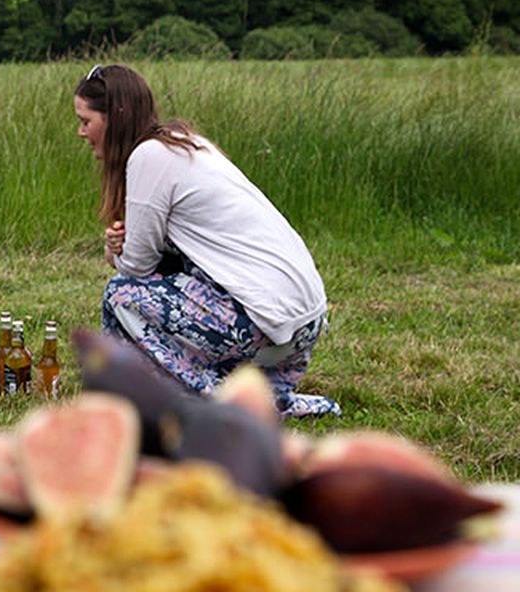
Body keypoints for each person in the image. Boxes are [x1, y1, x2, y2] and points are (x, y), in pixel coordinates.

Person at [72, 64, 340, 417]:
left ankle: (193, 402)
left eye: (86, 121)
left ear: (116, 117)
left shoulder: (149, 156)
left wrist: (112, 250)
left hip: (262, 322)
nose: (80, 132)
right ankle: (268, 401)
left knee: (121, 294)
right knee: (168, 283)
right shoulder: (187, 144)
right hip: (304, 324)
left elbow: (137, 267)